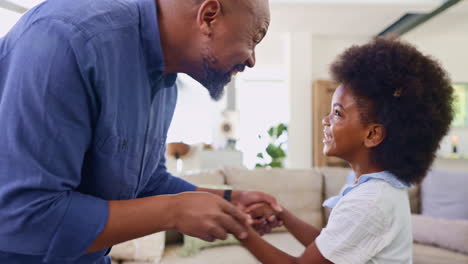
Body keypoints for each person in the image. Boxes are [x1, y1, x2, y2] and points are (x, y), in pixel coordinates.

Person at [0, 0, 280, 263]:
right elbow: (23, 217)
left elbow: (146, 182)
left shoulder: (166, 82)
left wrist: (228, 201)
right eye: (254, 40)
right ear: (209, 17)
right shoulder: (68, 38)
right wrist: (173, 212)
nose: (252, 59)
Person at [239, 38, 454, 263]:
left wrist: (240, 230)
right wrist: (282, 215)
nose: (325, 120)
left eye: (338, 113)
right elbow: (330, 247)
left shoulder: (370, 202)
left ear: (372, 135)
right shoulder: (376, 188)